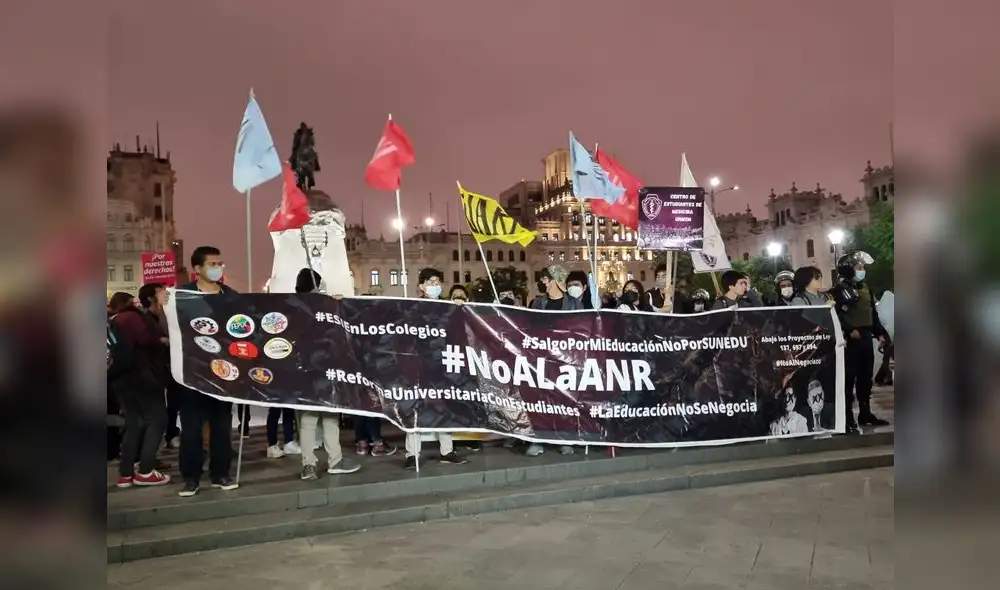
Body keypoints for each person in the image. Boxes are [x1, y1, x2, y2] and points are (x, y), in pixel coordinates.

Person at [176, 246, 239, 496]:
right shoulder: (182, 296)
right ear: (197, 269)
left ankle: (220, 474)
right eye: (212, 264)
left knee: (222, 427)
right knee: (191, 429)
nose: (217, 268)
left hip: (223, 374)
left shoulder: (230, 296)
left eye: (220, 263)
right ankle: (191, 478)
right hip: (193, 374)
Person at [295, 268, 363, 479]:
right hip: (323, 368)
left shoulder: (294, 306)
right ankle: (334, 460)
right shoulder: (318, 306)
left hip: (308, 370)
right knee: (329, 416)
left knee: (310, 419)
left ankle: (310, 464)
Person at [400, 267, 468, 469]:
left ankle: (447, 451)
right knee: (415, 409)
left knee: (443, 407)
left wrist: (459, 308)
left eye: (438, 282)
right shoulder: (412, 308)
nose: (435, 286)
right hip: (418, 365)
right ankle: (412, 454)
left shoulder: (446, 307)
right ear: (421, 286)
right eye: (430, 282)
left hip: (441, 364)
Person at [108, 292, 170, 488]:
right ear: (129, 303)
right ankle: (145, 471)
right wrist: (161, 341)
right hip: (141, 374)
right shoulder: (132, 317)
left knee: (133, 422)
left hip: (119, 377)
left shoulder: (112, 320)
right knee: (158, 419)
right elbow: (145, 340)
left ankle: (126, 473)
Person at [830, 251, 891, 432]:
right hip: (849, 340)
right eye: (859, 268)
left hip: (865, 337)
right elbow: (836, 314)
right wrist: (849, 329)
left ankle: (865, 413)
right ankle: (847, 417)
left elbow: (872, 313)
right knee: (849, 379)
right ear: (848, 270)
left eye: (863, 268)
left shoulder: (865, 288)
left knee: (865, 378)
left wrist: (880, 333)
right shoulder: (839, 290)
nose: (862, 271)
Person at [528, 265, 578, 456]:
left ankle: (564, 439)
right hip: (543, 358)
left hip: (566, 360)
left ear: (557, 280)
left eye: (547, 279)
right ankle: (539, 439)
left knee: (564, 399)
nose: (543, 283)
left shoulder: (573, 304)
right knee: (540, 399)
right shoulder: (539, 303)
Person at [137, 282, 182, 449]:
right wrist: (161, 341)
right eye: (161, 293)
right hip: (153, 371)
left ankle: (171, 434)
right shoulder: (143, 319)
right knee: (155, 411)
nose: (166, 295)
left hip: (169, 367)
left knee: (174, 403)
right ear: (150, 298)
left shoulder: (167, 314)